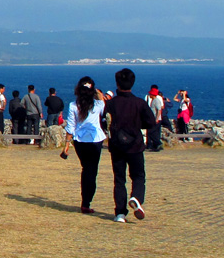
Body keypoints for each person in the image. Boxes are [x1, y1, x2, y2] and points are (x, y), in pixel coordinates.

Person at [104, 68, 156, 223]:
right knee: (138, 176)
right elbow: (151, 122)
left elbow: (103, 121)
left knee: (119, 179)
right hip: (135, 145)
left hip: (117, 145)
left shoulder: (111, 104)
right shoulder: (139, 103)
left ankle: (120, 213)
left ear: (117, 84)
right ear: (132, 83)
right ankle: (136, 198)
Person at [64, 76, 107, 214]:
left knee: (86, 168)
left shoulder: (73, 105)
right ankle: (86, 201)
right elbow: (103, 101)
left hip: (80, 140)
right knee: (92, 170)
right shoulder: (98, 105)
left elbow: (70, 127)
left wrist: (66, 145)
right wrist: (96, 92)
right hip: (95, 139)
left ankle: (85, 201)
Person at [144, 85, 164, 152]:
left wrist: (157, 119)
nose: (149, 95)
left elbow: (159, 110)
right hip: (154, 119)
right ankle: (157, 145)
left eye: (150, 94)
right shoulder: (154, 100)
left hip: (156, 119)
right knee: (153, 132)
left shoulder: (156, 100)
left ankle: (158, 143)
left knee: (151, 132)